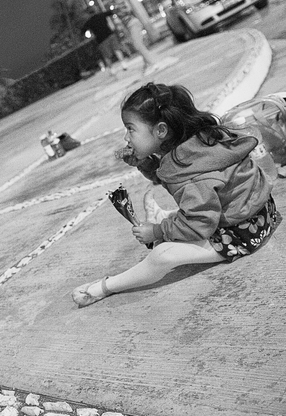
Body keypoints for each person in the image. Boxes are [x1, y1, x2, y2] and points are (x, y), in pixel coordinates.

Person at [72, 83, 280, 307]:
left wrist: (157, 231)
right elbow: (178, 179)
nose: (126, 138)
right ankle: (166, 219)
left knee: (162, 255)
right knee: (184, 216)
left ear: (161, 131)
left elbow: (200, 224)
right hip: (263, 212)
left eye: (131, 129)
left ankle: (105, 287)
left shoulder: (193, 173)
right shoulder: (198, 143)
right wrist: (145, 164)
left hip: (244, 233)